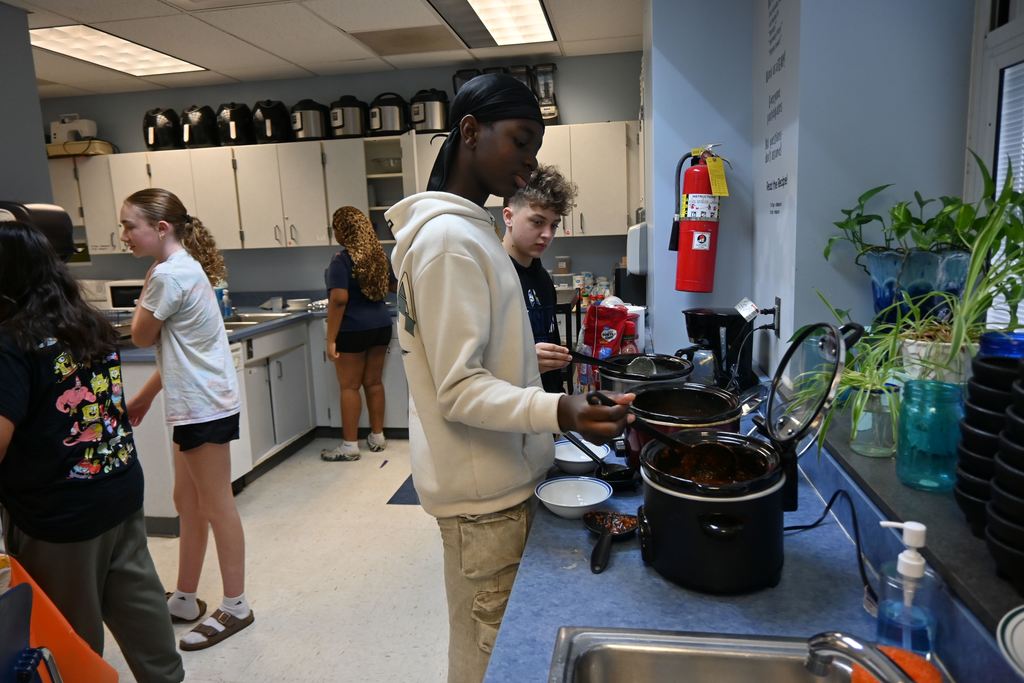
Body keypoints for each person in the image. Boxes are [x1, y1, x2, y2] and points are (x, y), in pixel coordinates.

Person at [386, 73, 633, 683]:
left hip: (494, 487)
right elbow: (461, 389)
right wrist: (562, 412)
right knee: (485, 662)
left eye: (535, 148)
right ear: (470, 132)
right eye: (520, 142)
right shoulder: (447, 243)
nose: (528, 163)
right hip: (481, 503)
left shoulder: (466, 234)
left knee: (489, 651)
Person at [0, 220, 185, 681]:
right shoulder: (87, 324)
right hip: (117, 487)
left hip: (60, 513)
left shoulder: (12, 343)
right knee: (137, 600)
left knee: (69, 635)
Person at [121, 188, 254, 651]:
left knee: (216, 504)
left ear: (161, 229)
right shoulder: (184, 269)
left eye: (129, 226)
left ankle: (236, 605)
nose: (123, 236)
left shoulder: (167, 275)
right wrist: (142, 399)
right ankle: (184, 597)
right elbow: (181, 351)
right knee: (188, 499)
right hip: (196, 401)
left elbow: (140, 336)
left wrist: (147, 279)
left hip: (203, 407)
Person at [321, 206, 394, 462]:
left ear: (344, 230)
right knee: (374, 382)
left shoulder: (342, 259)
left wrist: (330, 339)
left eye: (335, 228)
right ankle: (377, 437)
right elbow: (393, 286)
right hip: (381, 326)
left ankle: (350, 446)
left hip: (352, 329)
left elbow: (339, 299)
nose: (335, 233)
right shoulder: (378, 256)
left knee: (349, 387)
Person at [502, 164, 576, 393]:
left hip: (546, 406)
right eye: (537, 221)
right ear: (508, 217)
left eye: (553, 225)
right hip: (511, 407)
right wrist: (523, 361)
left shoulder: (543, 279)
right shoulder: (492, 276)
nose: (547, 234)